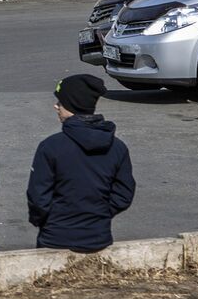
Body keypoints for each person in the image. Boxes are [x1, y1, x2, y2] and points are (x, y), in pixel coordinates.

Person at [27, 74, 135, 252]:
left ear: (72, 105)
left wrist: (47, 221)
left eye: (60, 102)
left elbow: (38, 196)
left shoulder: (51, 147)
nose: (56, 106)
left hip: (55, 238)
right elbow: (124, 193)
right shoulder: (117, 147)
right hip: (98, 237)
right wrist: (100, 214)